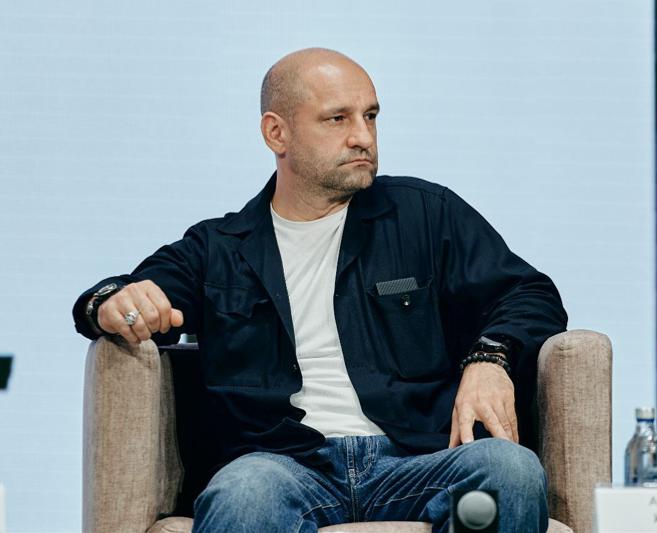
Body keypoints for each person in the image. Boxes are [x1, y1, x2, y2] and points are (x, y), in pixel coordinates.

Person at [72, 48, 568, 533]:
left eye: (370, 116)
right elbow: (121, 297)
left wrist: (490, 357)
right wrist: (113, 304)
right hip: (282, 466)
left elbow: (530, 294)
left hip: (420, 460)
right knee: (243, 495)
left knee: (507, 471)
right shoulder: (218, 248)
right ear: (277, 133)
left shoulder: (425, 213)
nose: (363, 137)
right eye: (337, 119)